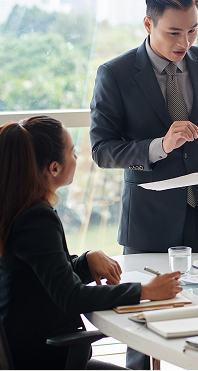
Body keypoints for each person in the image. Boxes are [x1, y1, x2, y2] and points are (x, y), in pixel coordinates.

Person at [0, 116, 183, 370]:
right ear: (54, 168)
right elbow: (71, 297)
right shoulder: (36, 218)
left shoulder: (18, 208)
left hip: (25, 349)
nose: (76, 159)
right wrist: (146, 291)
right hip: (43, 357)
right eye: (72, 152)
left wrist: (85, 261)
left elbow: (47, 276)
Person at [89, 0, 198, 257]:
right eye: (174, 32)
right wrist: (161, 146)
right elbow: (102, 151)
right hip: (149, 225)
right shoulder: (115, 74)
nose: (185, 42)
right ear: (148, 25)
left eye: (192, 30)